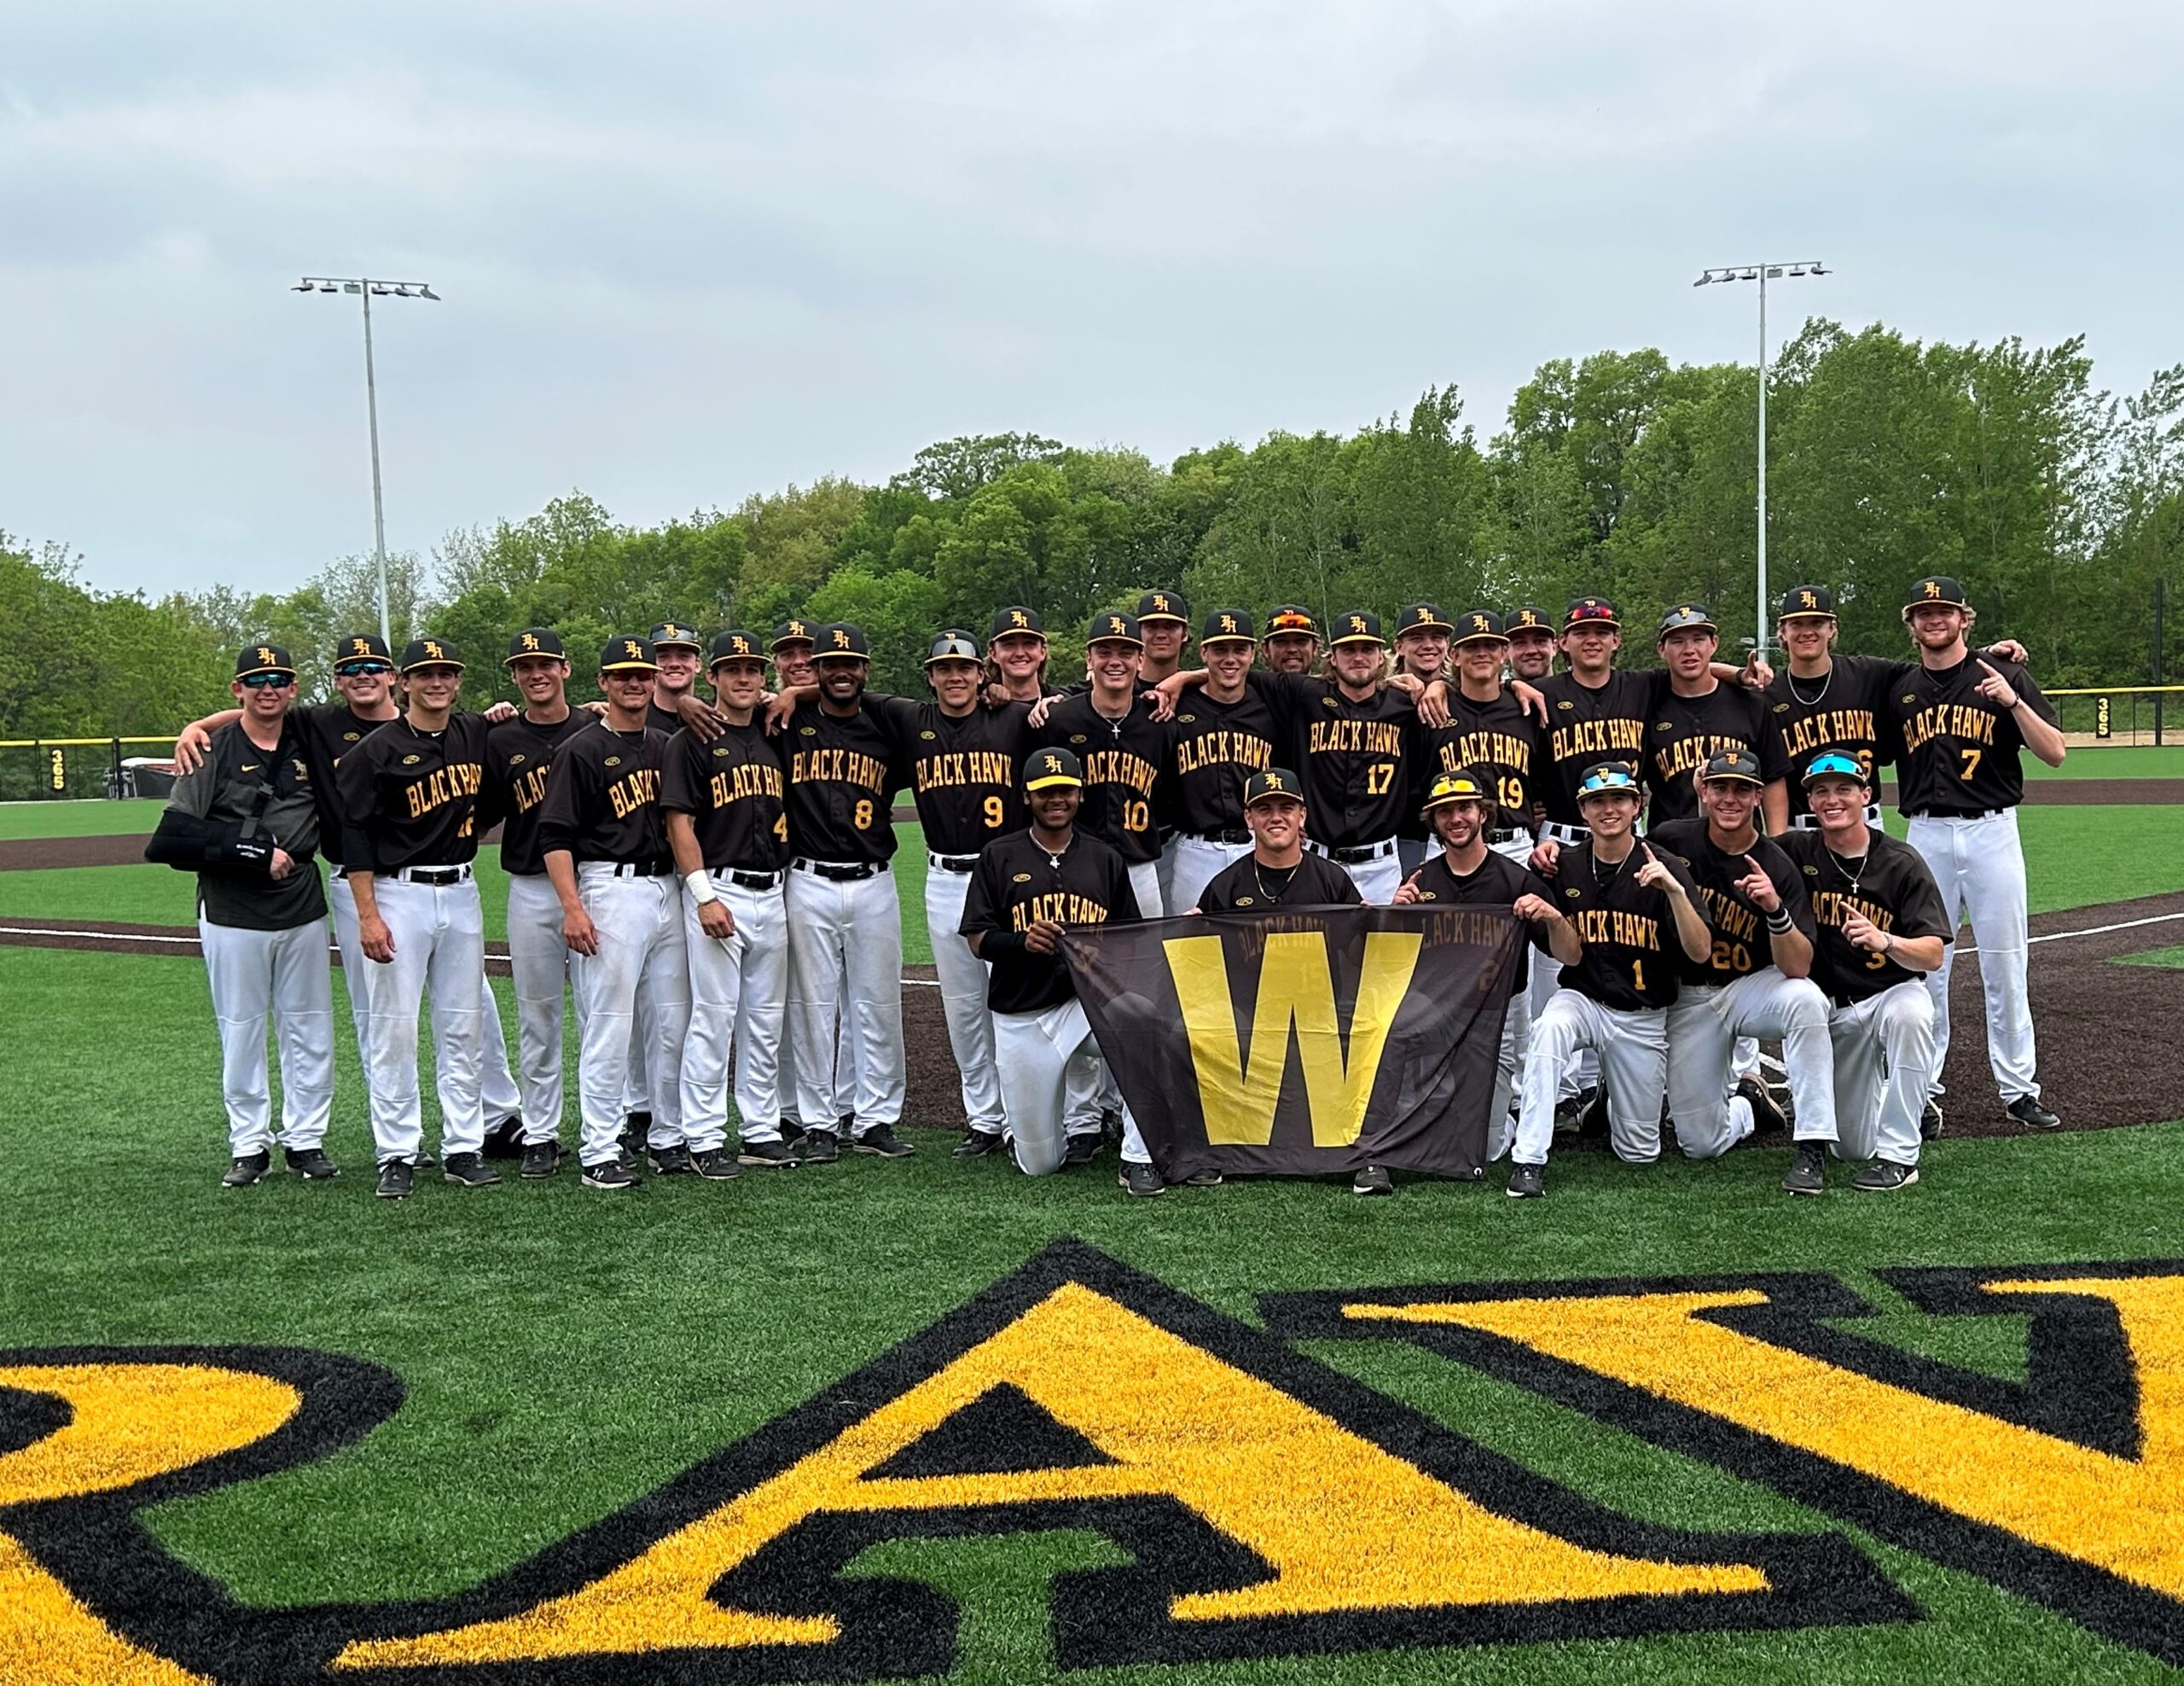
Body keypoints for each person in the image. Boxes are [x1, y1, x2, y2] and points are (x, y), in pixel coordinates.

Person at [171, 637, 526, 1152]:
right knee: (381, 1013)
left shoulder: (450, 720)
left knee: (474, 1006)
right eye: (350, 668)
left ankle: (495, 1118)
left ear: (392, 677)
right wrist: (197, 727)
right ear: (338, 679)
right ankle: (398, 1140)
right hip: (360, 880)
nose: (362, 675)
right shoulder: (320, 724)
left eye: (372, 666)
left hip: (446, 885)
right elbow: (257, 709)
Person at [1886, 574, 2066, 1132]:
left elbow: (2055, 751)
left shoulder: (2005, 674)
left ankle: (2018, 1089)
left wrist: (2013, 701)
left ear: (1965, 617)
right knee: (1925, 969)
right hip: (1926, 835)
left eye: (1944, 611)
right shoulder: (1899, 688)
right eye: (1924, 612)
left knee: (2005, 962)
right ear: (1911, 623)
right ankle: (1923, 1092)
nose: (1934, 619)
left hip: (1992, 833)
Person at [156, 645, 337, 1187]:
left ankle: (306, 1139)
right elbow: (173, 839)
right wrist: (253, 853)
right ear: (237, 689)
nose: (268, 689)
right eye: (256, 680)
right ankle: (249, 1143)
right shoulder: (212, 749)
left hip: (302, 902)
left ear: (293, 688)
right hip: (233, 907)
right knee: (242, 1028)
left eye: (278, 680)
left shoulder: (309, 737)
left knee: (309, 1027)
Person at [334, 637, 502, 1199]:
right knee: (394, 1027)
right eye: (425, 674)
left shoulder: (473, 732)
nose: (437, 683)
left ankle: (463, 1147)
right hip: (397, 892)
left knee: (463, 1023)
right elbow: (351, 837)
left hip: (460, 890)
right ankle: (397, 1153)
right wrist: (367, 915)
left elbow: (496, 790)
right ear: (402, 682)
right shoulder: (375, 751)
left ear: (457, 681)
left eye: (447, 673)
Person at [1505, 762, 1711, 1198]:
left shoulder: (1665, 865)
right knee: (1549, 1028)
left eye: (1618, 799)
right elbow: (1569, 954)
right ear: (1582, 810)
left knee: (1639, 1152)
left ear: (1637, 805)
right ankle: (1529, 1159)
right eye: (1597, 801)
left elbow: (1700, 952)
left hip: (1643, 1014)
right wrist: (1557, 918)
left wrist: (1674, 891)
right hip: (1584, 998)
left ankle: (1611, 1094)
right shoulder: (1565, 865)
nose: (1608, 808)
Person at [537, 637, 696, 1189]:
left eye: (641, 675)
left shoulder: (665, 744)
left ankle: (667, 1135)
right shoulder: (581, 749)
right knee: (609, 1025)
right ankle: (600, 1147)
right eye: (622, 676)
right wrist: (573, 907)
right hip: (609, 887)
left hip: (666, 890)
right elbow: (554, 836)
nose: (634, 683)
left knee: (671, 1021)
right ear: (602, 684)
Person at [959, 748, 1156, 1190]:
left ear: (1079, 795)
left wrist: (1100, 955)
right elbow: (977, 940)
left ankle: (1138, 1157)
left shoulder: (1104, 858)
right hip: (1021, 1017)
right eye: (1045, 792)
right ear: (1027, 797)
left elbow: (1130, 938)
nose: (1057, 799)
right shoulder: (999, 854)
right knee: (1041, 1164)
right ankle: (1029, 1136)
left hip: (1080, 1008)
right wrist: (1021, 941)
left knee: (1144, 1025)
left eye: (1065, 790)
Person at [1647, 748, 1842, 1195]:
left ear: (1758, 796)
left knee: (1808, 1001)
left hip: (1753, 986)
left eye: (1741, 789)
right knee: (1699, 1143)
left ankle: (1812, 1143)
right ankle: (1752, 1109)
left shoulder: (1777, 864)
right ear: (1705, 791)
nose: (1729, 798)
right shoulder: (1672, 840)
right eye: (1720, 787)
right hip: (1691, 996)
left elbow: (1799, 967)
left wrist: (1774, 910)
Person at [1778, 754, 1952, 1190]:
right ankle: (1899, 1103)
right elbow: (1736, 845)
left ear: (1866, 795)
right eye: (1821, 791)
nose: (1832, 799)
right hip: (1835, 1012)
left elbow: (1932, 955)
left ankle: (1900, 1157)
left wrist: (1887, 941)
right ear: (1810, 801)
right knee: (1852, 1148)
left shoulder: (1900, 861)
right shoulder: (1795, 851)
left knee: (1914, 1015)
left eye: (1844, 789)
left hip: (1889, 995)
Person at [778, 623, 917, 1161]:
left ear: (865, 669)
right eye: (830, 663)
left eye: (851, 663)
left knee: (877, 1003)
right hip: (807, 878)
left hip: (873, 879)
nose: (842, 671)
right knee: (813, 1006)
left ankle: (876, 1118)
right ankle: (819, 1122)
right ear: (815, 670)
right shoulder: (787, 721)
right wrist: (791, 694)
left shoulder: (884, 725)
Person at [897, 630, 1037, 1156]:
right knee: (963, 1006)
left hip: (1006, 878)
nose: (955, 677)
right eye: (943, 669)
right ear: (930, 678)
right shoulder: (911, 722)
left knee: (1020, 998)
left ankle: (1027, 1112)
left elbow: (1063, 708)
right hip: (945, 878)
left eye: (965, 669)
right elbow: (843, 695)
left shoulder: (1013, 718)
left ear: (983, 674)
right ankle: (983, 1117)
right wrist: (791, 692)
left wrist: (1015, 695)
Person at [661, 630, 795, 1173]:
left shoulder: (773, 731)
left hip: (775, 890)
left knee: (765, 1022)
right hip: (722, 889)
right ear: (711, 677)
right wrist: (703, 896)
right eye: (732, 669)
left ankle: (761, 1129)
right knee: (713, 1019)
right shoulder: (688, 740)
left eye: (753, 670)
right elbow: (679, 822)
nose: (743, 679)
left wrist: (788, 695)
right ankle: (704, 1136)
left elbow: (811, 693)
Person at [1392, 767, 1569, 1166]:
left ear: (1483, 813)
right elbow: (1394, 967)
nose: (1456, 818)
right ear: (1434, 822)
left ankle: (1506, 1119)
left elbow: (1567, 954)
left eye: (1465, 808)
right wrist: (1395, 917)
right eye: (1445, 811)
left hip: (1498, 1018)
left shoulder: (1515, 878)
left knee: (1484, 1148)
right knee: (1425, 1129)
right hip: (1437, 1014)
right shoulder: (1422, 880)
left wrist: (1553, 917)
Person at [481, 630, 593, 1176]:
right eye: (525, 667)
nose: (536, 674)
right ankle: (541, 1133)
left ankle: (606, 1128)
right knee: (539, 1015)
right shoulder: (500, 738)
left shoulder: (594, 726)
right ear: (515, 677)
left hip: (592, 884)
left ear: (565, 669)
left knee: (603, 1014)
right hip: (530, 888)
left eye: (545, 663)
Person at [1035, 613, 1172, 917]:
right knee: (1078, 961)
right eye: (1104, 652)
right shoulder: (1059, 720)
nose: (1115, 661)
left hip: (1140, 867)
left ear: (1140, 660)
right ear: (1089, 659)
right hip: (1074, 866)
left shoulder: (1158, 722)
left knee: (1145, 960)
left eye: (1125, 652)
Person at [1160, 608, 1281, 915]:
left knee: (1257, 942)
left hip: (1256, 843)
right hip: (1194, 848)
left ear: (1253, 654)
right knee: (1192, 947)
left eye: (1239, 650)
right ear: (1204, 652)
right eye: (1220, 650)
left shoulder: (1269, 704)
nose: (1230, 659)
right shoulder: (1178, 704)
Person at [1642, 603, 1786, 832]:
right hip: (1671, 847)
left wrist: (1778, 843)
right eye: (1678, 641)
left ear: (1714, 644)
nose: (1689, 649)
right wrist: (1737, 673)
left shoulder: (1750, 704)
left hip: (1741, 844)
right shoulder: (1648, 702)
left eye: (1698, 639)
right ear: (1661, 649)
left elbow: (1773, 777)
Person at [1417, 609, 1543, 869]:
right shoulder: (1434, 707)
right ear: (1455, 656)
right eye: (1471, 646)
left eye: (1490, 645)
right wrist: (1435, 685)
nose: (1482, 652)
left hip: (1515, 844)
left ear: (1504, 653)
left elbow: (1546, 777)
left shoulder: (1527, 708)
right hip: (1447, 843)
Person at [1192, 767, 1362, 914]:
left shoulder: (1333, 881)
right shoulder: (1225, 887)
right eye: (1264, 810)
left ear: (1302, 816)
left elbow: (1356, 944)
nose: (1276, 818)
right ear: (1249, 819)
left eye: (1286, 809)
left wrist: (1370, 924)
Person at [987, 605, 1057, 701]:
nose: (1020, 653)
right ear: (993, 654)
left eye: (1029, 644)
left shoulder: (1062, 703)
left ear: (1042, 651)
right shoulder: (981, 708)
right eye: (1009, 645)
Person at [1504, 606, 1558, 685]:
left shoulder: (1576, 692)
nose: (1531, 651)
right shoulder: (1493, 696)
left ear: (1554, 647)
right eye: (1520, 643)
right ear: (1506, 652)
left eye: (1539, 641)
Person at [1261, 606, 1322, 674]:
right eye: (1282, 642)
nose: (1292, 649)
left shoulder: (1330, 684)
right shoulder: (1252, 684)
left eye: (1301, 641)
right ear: (1266, 649)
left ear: (1315, 647)